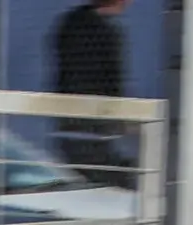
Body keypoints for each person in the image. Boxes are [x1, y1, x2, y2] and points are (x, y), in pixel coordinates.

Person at [51, 0, 137, 187]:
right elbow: (109, 77)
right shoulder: (100, 29)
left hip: (75, 121)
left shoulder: (72, 22)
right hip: (90, 123)